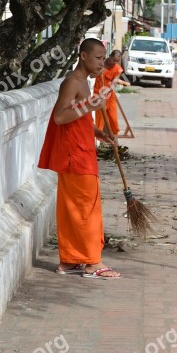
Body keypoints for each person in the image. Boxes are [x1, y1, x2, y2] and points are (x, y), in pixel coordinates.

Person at [38, 38, 121, 278]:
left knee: (73, 209)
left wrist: (101, 134)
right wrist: (90, 107)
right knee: (87, 209)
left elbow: (81, 120)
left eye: (103, 58)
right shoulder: (72, 82)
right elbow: (60, 117)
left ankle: (70, 261)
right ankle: (92, 264)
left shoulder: (84, 83)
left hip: (81, 151)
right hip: (76, 156)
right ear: (83, 56)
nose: (102, 62)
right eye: (97, 57)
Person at [94, 49, 130, 136]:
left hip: (109, 93)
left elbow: (114, 83)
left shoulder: (117, 68)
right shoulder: (101, 64)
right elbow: (92, 75)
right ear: (109, 56)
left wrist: (107, 90)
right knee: (100, 115)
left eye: (117, 61)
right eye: (114, 60)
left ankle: (115, 131)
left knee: (112, 114)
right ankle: (99, 133)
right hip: (97, 92)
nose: (115, 63)